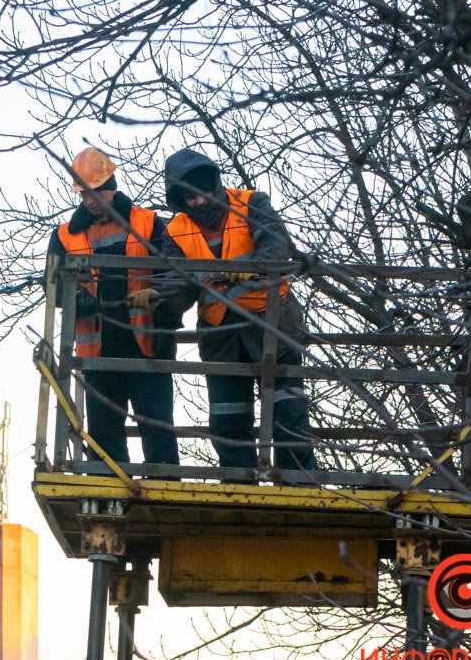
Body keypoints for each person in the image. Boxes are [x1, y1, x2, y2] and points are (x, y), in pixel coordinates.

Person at [158, 148, 317, 470]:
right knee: (228, 415)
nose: (199, 202)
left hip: (274, 322)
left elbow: (277, 247)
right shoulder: (174, 230)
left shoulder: (252, 203)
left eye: (202, 192)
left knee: (289, 411)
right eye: (189, 197)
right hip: (221, 332)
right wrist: (159, 298)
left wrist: (245, 265)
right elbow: (181, 285)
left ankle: (298, 481)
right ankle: (238, 481)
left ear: (214, 184)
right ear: (180, 199)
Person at [47, 147, 180, 467]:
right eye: (83, 194)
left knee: (157, 423)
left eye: (96, 191)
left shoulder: (148, 222)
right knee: (104, 430)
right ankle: (108, 489)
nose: (90, 200)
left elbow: (175, 273)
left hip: (146, 344)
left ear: (112, 185)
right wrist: (79, 300)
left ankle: (163, 484)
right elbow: (52, 286)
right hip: (99, 351)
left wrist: (161, 306)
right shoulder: (64, 236)